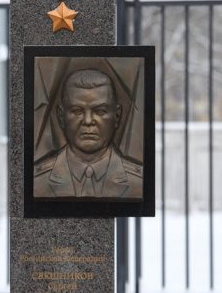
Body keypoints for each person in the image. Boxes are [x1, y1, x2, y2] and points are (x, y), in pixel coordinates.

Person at [33, 68, 143, 199]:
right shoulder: (37, 180)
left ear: (117, 116)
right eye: (77, 111)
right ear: (61, 116)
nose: (88, 121)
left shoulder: (138, 181)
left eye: (100, 111)